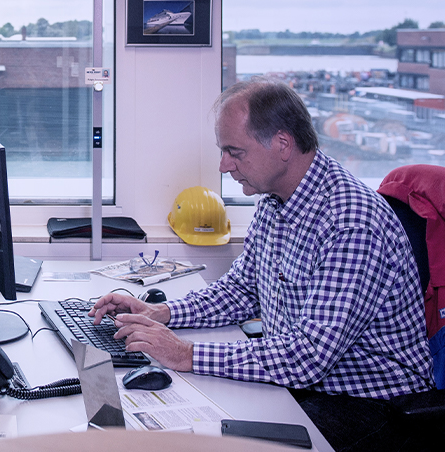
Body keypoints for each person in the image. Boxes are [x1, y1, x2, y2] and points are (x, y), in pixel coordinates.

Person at [89, 79, 434, 451]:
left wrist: (185, 353)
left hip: (371, 405)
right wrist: (162, 312)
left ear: (282, 144)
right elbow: (241, 291)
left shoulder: (351, 223)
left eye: (234, 152)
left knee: (216, 443)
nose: (224, 165)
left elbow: (308, 355)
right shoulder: (274, 201)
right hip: (307, 386)